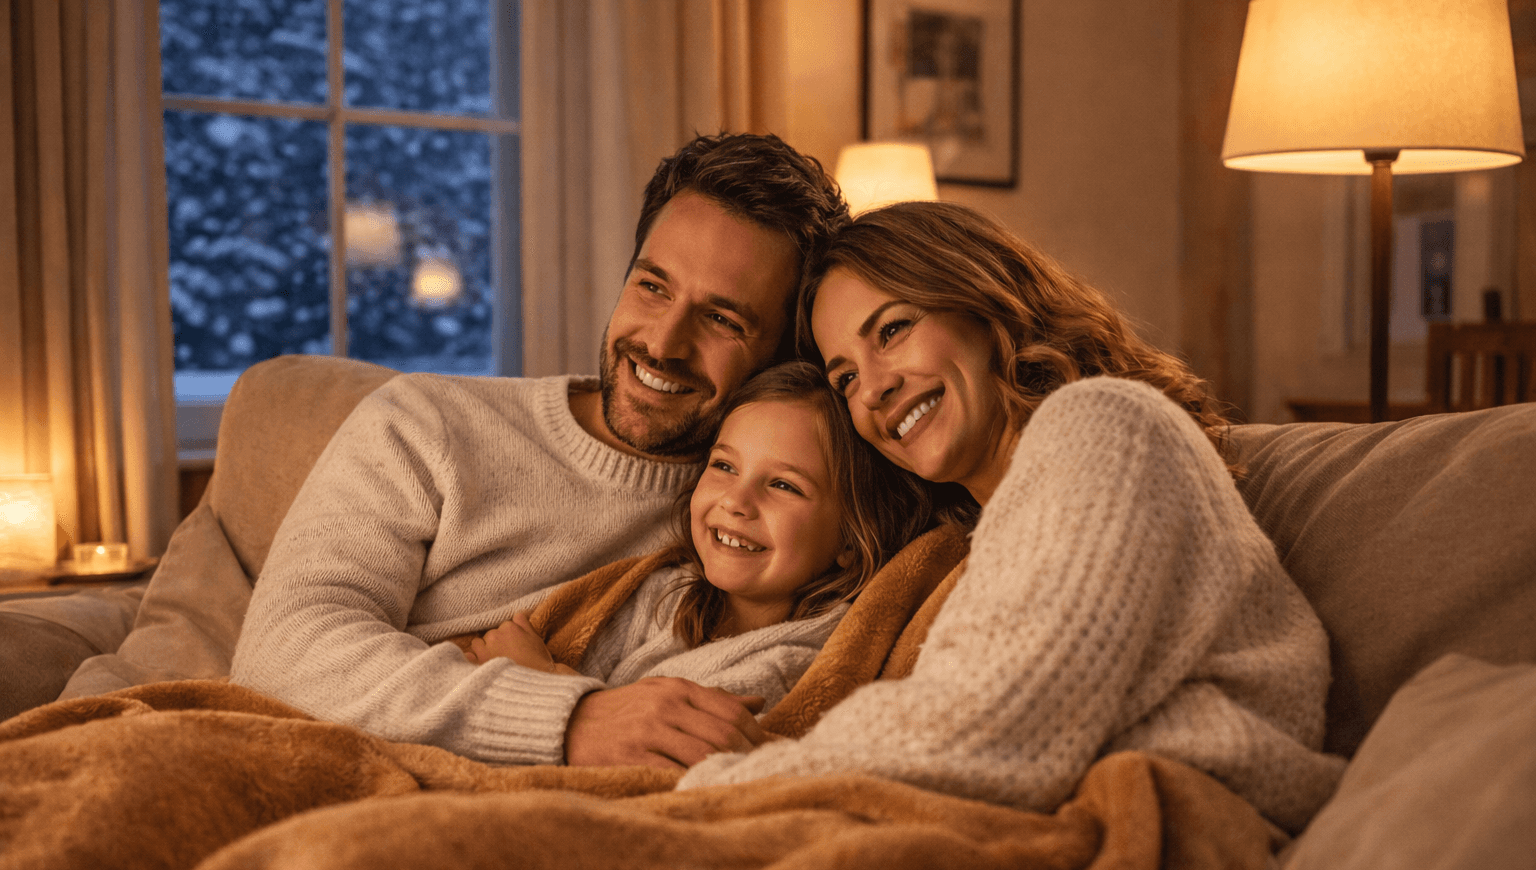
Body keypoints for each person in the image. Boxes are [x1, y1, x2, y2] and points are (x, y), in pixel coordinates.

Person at [677, 201, 1346, 833]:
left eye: (893, 329)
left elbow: (995, 725)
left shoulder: (1105, 425)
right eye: (845, 377)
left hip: (1186, 810)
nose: (874, 386)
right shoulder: (972, 539)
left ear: (983, 302)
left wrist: (712, 793)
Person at [230, 133, 850, 770]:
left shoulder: (758, 514)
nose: (663, 343)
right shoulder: (424, 423)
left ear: (783, 355)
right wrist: (569, 717)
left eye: (723, 319)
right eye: (653, 287)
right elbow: (280, 651)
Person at [460, 362, 938, 767]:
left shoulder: (793, 666)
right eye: (725, 467)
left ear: (851, 540)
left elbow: (668, 762)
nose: (735, 501)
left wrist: (541, 680)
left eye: (784, 486)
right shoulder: (665, 591)